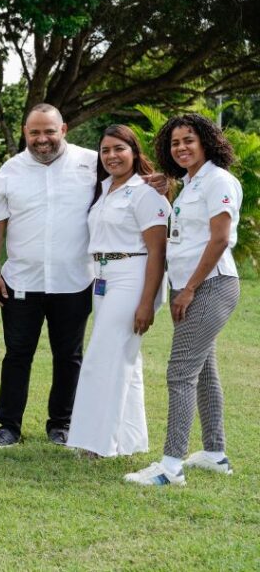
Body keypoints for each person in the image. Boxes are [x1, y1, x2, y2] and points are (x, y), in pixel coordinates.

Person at [125, 114, 241, 486]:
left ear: (206, 141)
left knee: (180, 372)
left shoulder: (218, 180)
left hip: (210, 285)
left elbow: (219, 239)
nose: (181, 147)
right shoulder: (191, 183)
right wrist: (169, 186)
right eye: (175, 142)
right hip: (189, 286)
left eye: (189, 140)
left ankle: (170, 467)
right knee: (204, 370)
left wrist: (189, 288)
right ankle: (215, 453)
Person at [0, 104, 97, 448]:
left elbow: (128, 182)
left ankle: (61, 424)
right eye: (35, 132)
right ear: (25, 133)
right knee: (17, 354)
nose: (42, 139)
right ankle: (8, 427)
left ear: (63, 129)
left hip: (74, 280)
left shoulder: (92, 163)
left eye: (49, 131)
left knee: (69, 356)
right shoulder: (10, 170)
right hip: (22, 280)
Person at [67, 125, 169, 458]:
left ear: (134, 152)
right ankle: (130, 440)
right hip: (103, 277)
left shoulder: (145, 192)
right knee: (126, 360)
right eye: (105, 150)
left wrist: (146, 302)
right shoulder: (104, 189)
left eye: (119, 149)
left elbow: (158, 251)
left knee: (102, 358)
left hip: (133, 276)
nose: (111, 156)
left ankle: (96, 444)